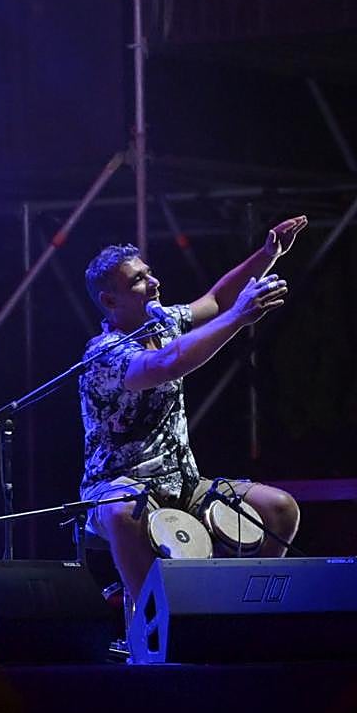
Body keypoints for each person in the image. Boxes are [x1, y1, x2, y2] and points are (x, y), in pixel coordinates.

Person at [78, 215, 307, 603]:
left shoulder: (163, 323)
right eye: (138, 280)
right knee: (120, 511)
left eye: (149, 274)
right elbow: (166, 364)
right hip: (119, 487)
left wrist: (267, 255)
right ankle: (151, 621)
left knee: (280, 509)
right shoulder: (105, 353)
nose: (153, 283)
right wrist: (239, 318)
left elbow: (217, 300)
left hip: (183, 483)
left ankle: (244, 607)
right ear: (109, 301)